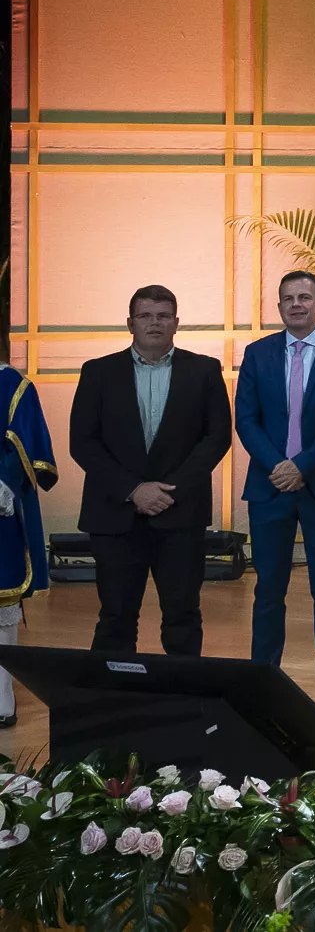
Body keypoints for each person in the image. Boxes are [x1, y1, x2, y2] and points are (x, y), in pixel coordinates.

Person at [70, 285, 232, 657]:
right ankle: (114, 702)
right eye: (145, 316)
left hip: (180, 515)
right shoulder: (97, 372)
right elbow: (83, 443)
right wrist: (134, 490)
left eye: (163, 316)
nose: (154, 323)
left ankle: (183, 703)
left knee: (182, 616)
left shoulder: (205, 370)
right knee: (115, 617)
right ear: (130, 323)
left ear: (177, 322)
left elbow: (216, 438)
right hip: (114, 515)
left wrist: (166, 491)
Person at [235, 269, 315, 711]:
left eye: (305, 297)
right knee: (269, 587)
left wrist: (303, 466)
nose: (296, 305)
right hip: (270, 486)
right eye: (288, 298)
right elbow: (246, 420)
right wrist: (279, 466)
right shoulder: (257, 353)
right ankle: (262, 678)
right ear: (279, 306)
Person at [0, 358, 58, 730]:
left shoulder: (11, 384)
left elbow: (24, 445)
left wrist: (4, 483)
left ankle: (1, 694)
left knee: (1, 603)